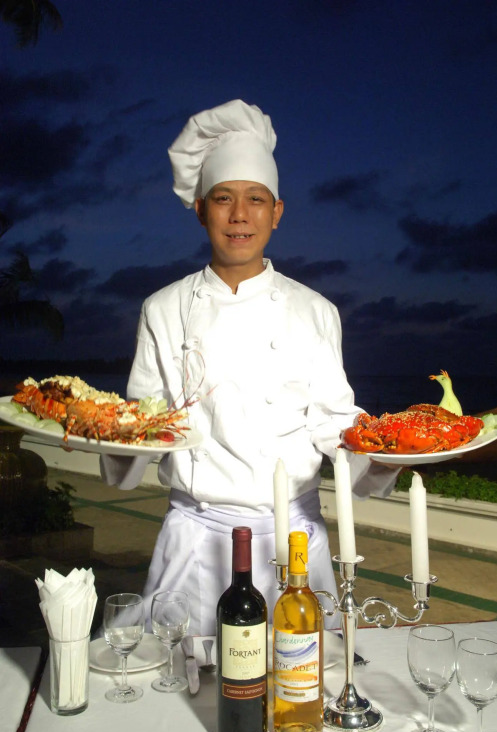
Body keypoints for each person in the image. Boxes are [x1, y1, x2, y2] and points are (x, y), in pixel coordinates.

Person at [100, 99, 398, 635]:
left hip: (293, 543)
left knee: (302, 679)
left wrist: (393, 451)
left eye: (255, 199)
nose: (240, 215)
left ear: (277, 212)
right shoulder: (163, 309)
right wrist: (108, 435)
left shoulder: (315, 311)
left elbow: (334, 424)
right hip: (195, 540)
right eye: (224, 198)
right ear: (201, 210)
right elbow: (141, 423)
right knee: (180, 678)